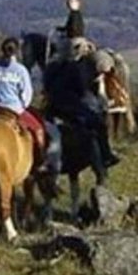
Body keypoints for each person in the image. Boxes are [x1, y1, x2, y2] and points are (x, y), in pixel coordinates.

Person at [44, 46, 115, 184]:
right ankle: (103, 162)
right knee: (97, 126)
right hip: (69, 106)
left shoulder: (56, 66)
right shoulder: (79, 71)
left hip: (53, 105)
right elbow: (83, 94)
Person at [0, 37, 47, 153]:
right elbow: (27, 96)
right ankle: (41, 159)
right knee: (38, 129)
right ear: (16, 51)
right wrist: (22, 106)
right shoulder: (20, 70)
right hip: (14, 110)